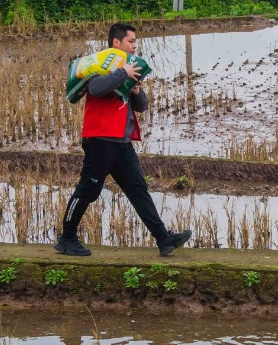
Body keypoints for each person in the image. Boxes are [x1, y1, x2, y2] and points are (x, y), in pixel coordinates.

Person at [55, 22, 190, 258]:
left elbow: (142, 106)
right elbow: (95, 89)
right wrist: (122, 73)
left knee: (138, 188)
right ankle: (66, 238)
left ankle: (163, 239)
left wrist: (136, 90)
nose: (134, 46)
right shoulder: (102, 66)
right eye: (131, 41)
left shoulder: (129, 68)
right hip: (100, 139)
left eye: (135, 42)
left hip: (121, 141)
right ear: (116, 43)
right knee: (88, 189)